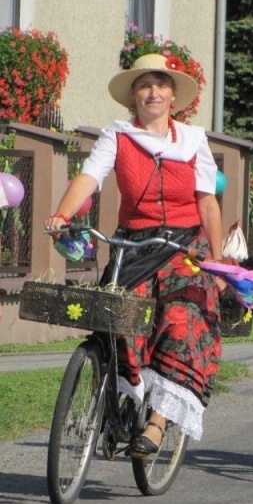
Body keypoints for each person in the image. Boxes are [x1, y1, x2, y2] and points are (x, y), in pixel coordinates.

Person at [45, 53, 225, 457]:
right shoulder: (119, 135)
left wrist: (216, 260)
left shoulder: (194, 141)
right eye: (144, 85)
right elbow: (90, 176)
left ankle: (158, 422)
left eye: (161, 84)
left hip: (184, 246)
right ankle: (122, 397)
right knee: (118, 320)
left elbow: (207, 203)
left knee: (183, 318)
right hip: (135, 244)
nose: (153, 92)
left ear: (174, 98)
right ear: (134, 98)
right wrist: (62, 213)